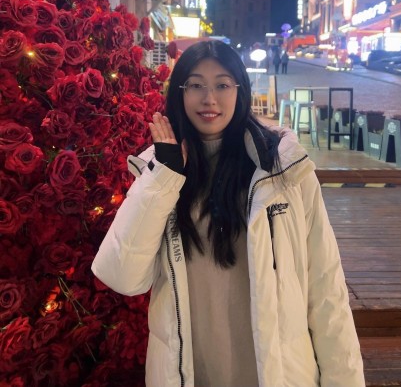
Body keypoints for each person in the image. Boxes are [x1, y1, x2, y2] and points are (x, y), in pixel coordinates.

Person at [92, 40, 365, 387]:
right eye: (196, 85)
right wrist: (163, 177)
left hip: (279, 376)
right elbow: (122, 277)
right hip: (189, 376)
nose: (209, 98)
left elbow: (326, 289)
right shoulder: (161, 175)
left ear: (240, 90)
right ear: (180, 93)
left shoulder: (283, 169)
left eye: (222, 85)